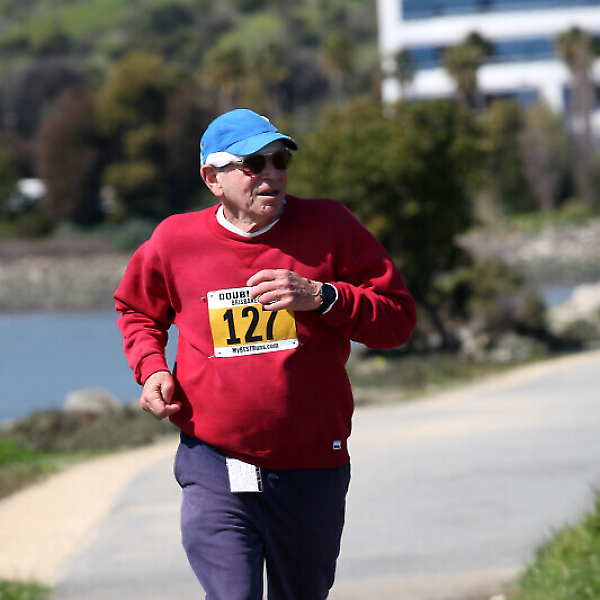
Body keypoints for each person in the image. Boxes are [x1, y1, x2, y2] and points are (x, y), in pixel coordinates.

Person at [114, 108, 417, 600]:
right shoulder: (175, 240)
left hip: (312, 465)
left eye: (280, 160)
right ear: (212, 178)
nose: (272, 174)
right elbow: (137, 310)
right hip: (213, 463)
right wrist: (150, 369)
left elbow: (397, 320)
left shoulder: (330, 225)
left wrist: (323, 296)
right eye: (253, 164)